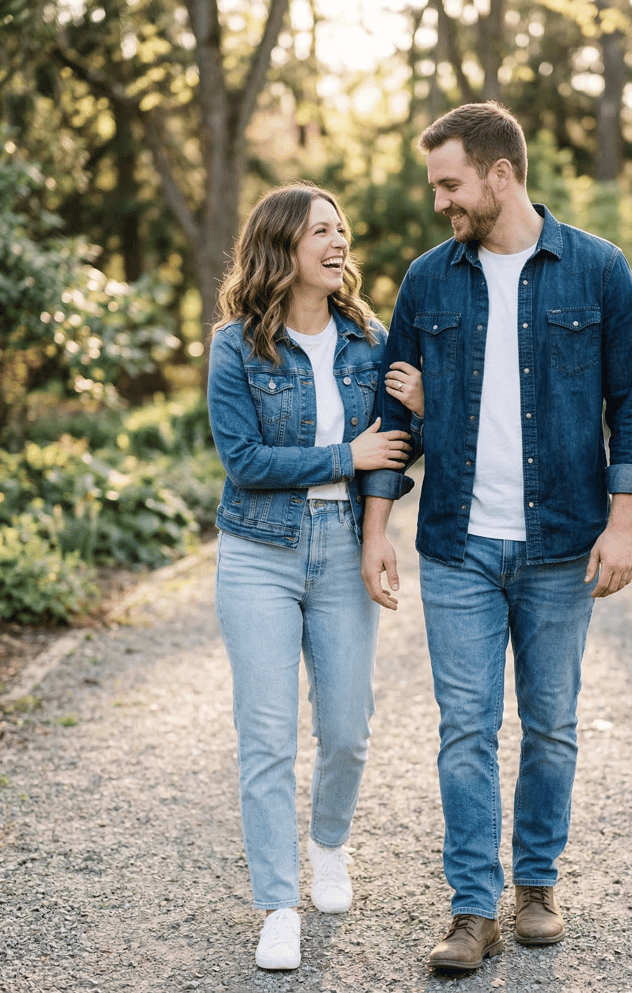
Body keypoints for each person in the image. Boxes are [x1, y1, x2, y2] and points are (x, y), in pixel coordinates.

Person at [360, 102, 632, 971]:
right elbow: (392, 415)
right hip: (458, 544)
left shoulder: (598, 270)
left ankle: (535, 885)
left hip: (563, 543)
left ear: (501, 174)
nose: (440, 203)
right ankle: (470, 908)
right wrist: (379, 527)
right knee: (464, 730)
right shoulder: (427, 280)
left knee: (553, 724)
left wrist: (624, 523)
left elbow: (631, 406)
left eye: (450, 184)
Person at [207, 184, 423, 971]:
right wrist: (345, 458)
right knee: (265, 736)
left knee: (348, 728)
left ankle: (328, 843)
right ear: (283, 248)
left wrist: (378, 527)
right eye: (321, 230)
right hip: (257, 552)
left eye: (342, 229)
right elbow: (245, 462)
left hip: (341, 546)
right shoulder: (236, 345)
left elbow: (397, 444)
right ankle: (277, 902)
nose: (339, 242)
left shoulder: (371, 336)